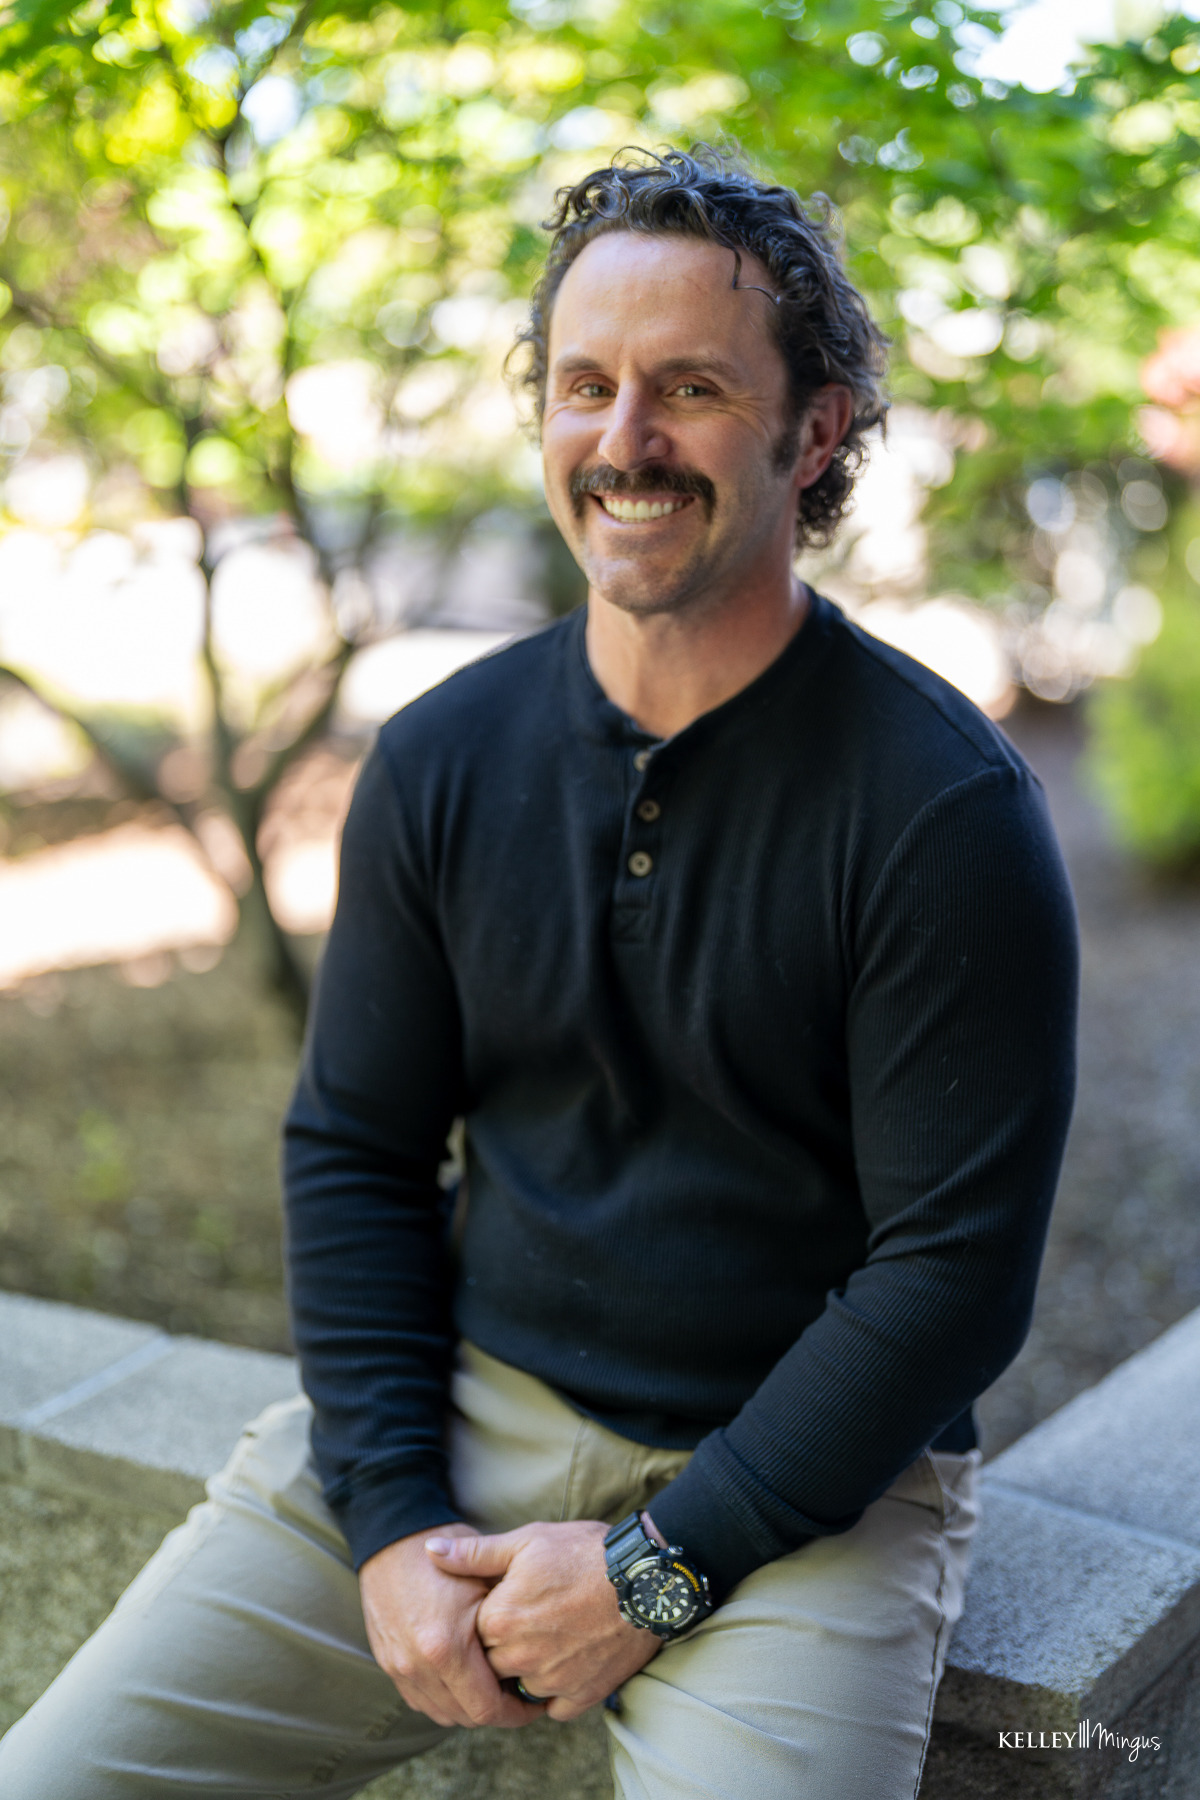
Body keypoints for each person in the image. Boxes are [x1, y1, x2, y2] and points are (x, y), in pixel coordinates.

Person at [0, 145, 1079, 1800]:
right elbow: (356, 1149)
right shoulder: (439, 758)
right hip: (455, 1416)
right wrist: (386, 1520)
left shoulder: (943, 810)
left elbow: (953, 1278)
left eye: (693, 388)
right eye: (586, 386)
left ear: (818, 429)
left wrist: (657, 1571)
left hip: (800, 1496)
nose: (624, 441)